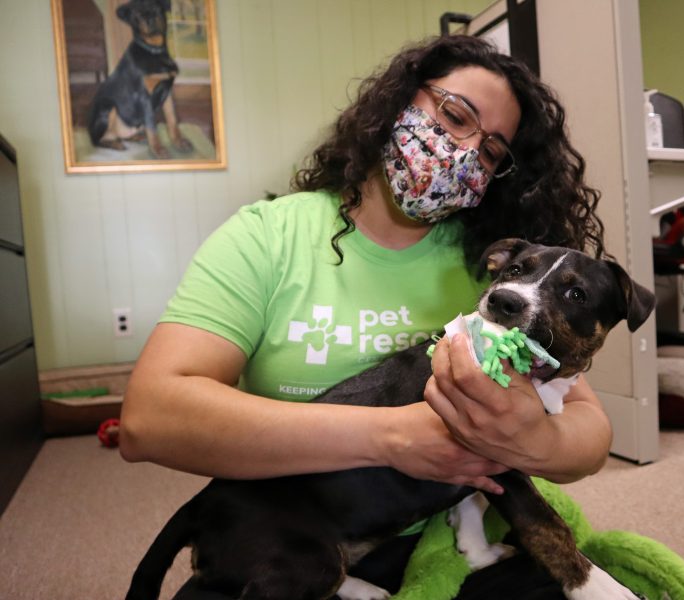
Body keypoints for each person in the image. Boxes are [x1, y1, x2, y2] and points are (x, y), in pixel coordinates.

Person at [120, 34, 612, 599]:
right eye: (454, 117)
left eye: (491, 152)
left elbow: (589, 432)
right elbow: (148, 419)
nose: (463, 152)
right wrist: (390, 437)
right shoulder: (268, 236)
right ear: (398, 103)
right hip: (291, 523)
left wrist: (531, 442)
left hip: (438, 527)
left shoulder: (502, 273)